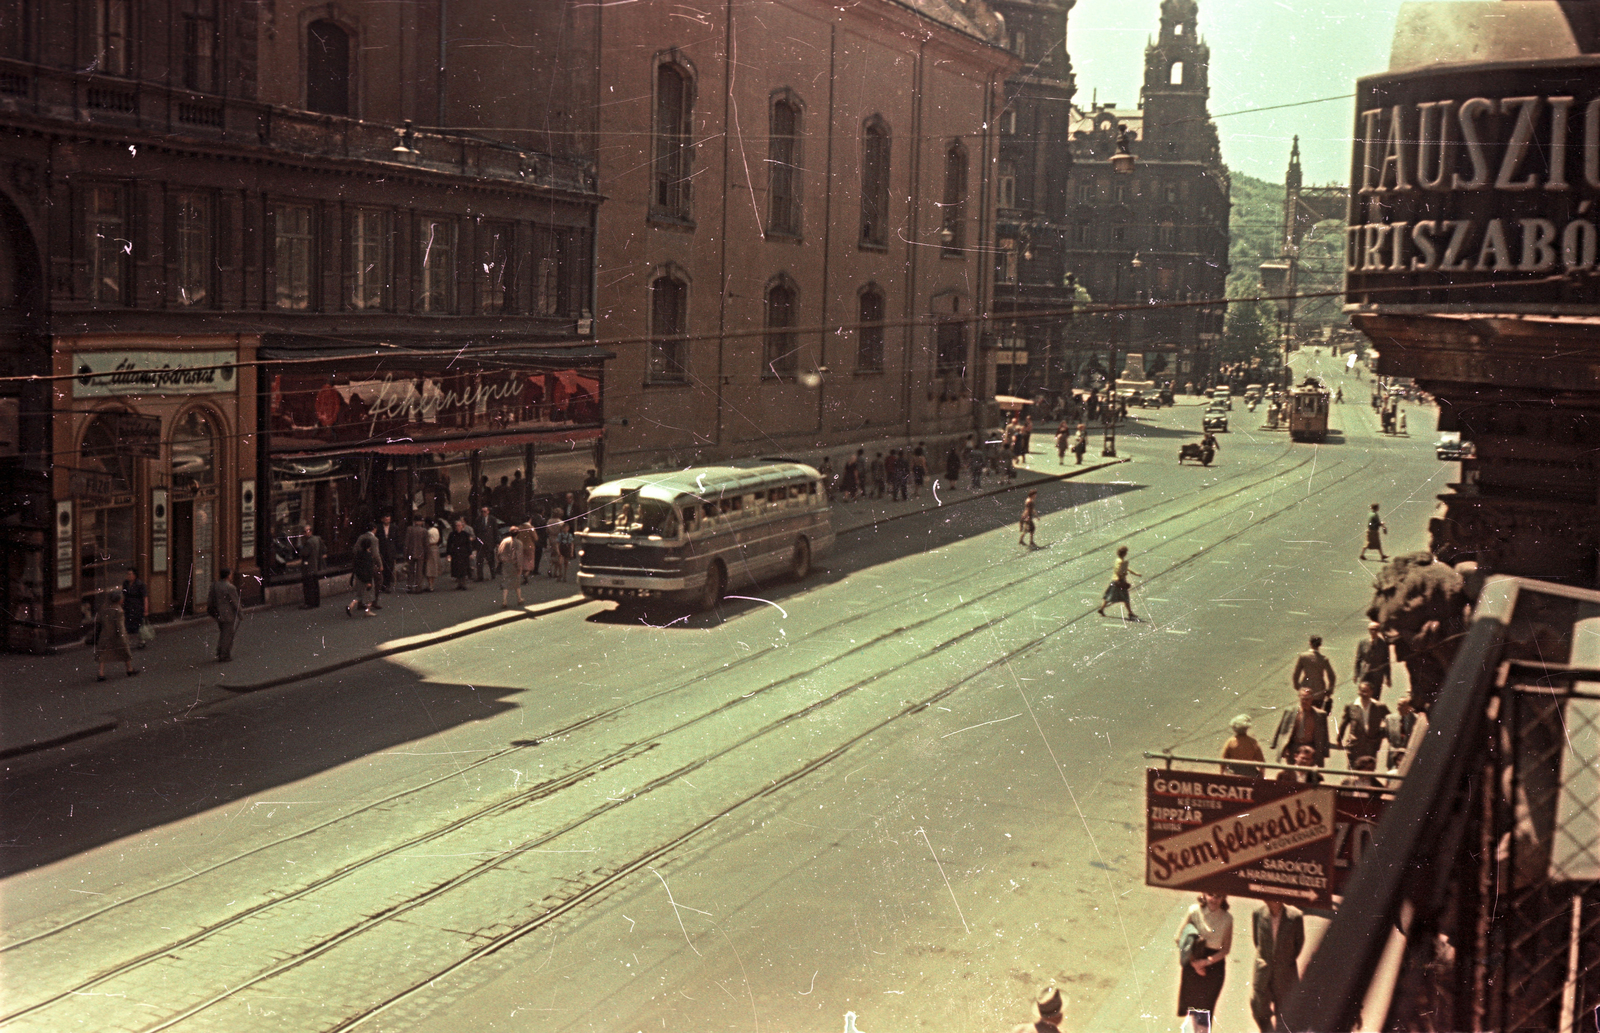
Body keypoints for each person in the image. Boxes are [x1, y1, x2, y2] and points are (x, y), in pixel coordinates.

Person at [1176, 891, 1232, 1031]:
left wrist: (1205, 963)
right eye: (1210, 894)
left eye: (1218, 895)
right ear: (1204, 895)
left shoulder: (1227, 918)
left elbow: (1225, 949)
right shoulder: (1194, 911)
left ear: (1223, 898)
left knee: (1205, 1010)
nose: (1214, 899)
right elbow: (1179, 938)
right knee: (1192, 1008)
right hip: (1193, 960)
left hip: (1213, 966)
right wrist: (1194, 962)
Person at [1250, 899, 1305, 1032]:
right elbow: (1257, 942)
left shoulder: (1295, 917)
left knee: (1286, 1014)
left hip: (1285, 972)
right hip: (1264, 972)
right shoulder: (1258, 914)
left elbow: (1299, 944)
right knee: (1258, 1007)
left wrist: (1284, 960)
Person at [1337, 679, 1391, 765]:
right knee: (1353, 770)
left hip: (1371, 746)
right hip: (1354, 746)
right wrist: (1339, 739)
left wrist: (1381, 733)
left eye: (1366, 691)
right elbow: (1344, 723)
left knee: (1368, 769)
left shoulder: (1379, 707)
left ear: (1371, 692)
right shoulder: (1351, 707)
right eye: (1361, 691)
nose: (1363, 694)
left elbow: (1390, 721)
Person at [1272, 686, 1330, 766]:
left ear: (1312, 698)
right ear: (1299, 697)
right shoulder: (1290, 711)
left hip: (1310, 748)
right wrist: (1276, 744)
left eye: (1307, 699)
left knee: (1308, 773)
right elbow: (1281, 728)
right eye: (1302, 698)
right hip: (1294, 746)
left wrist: (1325, 752)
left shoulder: (1320, 715)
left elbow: (1325, 735)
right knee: (1292, 772)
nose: (1304, 701)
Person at [94, 589, 137, 681]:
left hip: (105, 634)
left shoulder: (104, 607)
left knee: (103, 654)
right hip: (116, 635)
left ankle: (101, 673)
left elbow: (98, 620)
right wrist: (123, 636)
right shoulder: (119, 610)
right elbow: (120, 626)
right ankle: (129, 668)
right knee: (125, 651)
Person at [1291, 635, 1338, 713]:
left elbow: (1296, 674)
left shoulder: (1303, 657)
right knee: (1317, 713)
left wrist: (1297, 686)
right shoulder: (1323, 659)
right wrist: (1329, 690)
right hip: (1319, 691)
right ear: (1320, 645)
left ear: (1310, 643)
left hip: (1305, 690)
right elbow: (1332, 676)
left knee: (1305, 712)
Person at [207, 567, 242, 662]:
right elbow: (235, 602)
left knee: (223, 632)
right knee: (227, 634)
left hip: (217, 613)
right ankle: (224, 654)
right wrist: (240, 614)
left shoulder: (214, 586)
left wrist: (211, 612)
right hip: (228, 614)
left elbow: (210, 600)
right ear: (228, 575)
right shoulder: (230, 587)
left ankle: (220, 651)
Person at [1097, 545, 1139, 620]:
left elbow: (1124, 568)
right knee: (1125, 598)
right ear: (1124, 553)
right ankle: (1130, 613)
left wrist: (1135, 573)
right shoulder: (1122, 562)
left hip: (1115, 581)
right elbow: (1120, 570)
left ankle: (1102, 609)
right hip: (1119, 582)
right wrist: (1123, 575)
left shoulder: (1118, 560)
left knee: (1109, 596)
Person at [347, 524, 382, 617]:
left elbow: (354, 550)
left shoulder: (359, 550)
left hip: (359, 575)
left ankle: (352, 605)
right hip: (366, 577)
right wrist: (369, 580)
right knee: (370, 594)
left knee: (359, 594)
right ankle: (368, 610)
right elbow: (375, 558)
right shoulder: (372, 545)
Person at [1352, 621, 1392, 699]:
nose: (1373, 631)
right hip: (1365, 673)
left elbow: (1386, 662)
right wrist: (1356, 674)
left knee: (1376, 696)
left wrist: (1388, 678)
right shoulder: (1363, 643)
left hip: (1377, 674)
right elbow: (1358, 660)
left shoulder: (1383, 644)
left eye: (1376, 629)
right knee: (1363, 694)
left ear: (1379, 630)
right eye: (1372, 629)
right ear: (1369, 630)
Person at [1384, 696, 1418, 772]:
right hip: (1393, 754)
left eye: (1402, 705)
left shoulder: (1416, 719)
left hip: (1409, 754)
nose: (1399, 707)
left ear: (1409, 707)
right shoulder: (1389, 718)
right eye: (1398, 704)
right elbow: (1388, 735)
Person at [121, 568, 148, 648]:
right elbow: (124, 595)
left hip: (137, 606)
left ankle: (141, 641)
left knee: (138, 624)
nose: (128, 576)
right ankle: (127, 641)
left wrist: (146, 609)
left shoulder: (140, 584)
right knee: (127, 623)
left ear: (134, 575)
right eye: (127, 574)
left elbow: (145, 597)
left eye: (130, 574)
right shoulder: (125, 583)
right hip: (127, 606)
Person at [404, 516, 430, 593]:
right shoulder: (424, 531)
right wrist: (427, 555)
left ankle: (410, 586)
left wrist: (405, 554)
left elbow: (406, 543)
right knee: (419, 571)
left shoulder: (409, 529)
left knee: (410, 570)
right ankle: (418, 587)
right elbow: (426, 544)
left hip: (410, 552)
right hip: (421, 553)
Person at [447, 518, 475, 590]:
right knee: (457, 569)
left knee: (464, 569)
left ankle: (463, 583)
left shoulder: (465, 534)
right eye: (457, 525)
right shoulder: (452, 534)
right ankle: (459, 584)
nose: (458, 527)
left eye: (459, 525)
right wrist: (448, 554)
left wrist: (470, 553)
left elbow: (468, 544)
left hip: (464, 553)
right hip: (455, 553)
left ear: (462, 526)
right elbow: (449, 544)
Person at [473, 505, 498, 582]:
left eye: (485, 511)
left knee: (491, 560)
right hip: (480, 543)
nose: (483, 513)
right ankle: (480, 576)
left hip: (489, 542)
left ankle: (493, 574)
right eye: (482, 512)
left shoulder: (492, 519)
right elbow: (476, 531)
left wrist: (496, 542)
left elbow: (495, 531)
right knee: (479, 560)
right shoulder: (478, 520)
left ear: (488, 512)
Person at [378, 514, 400, 596]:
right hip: (382, 550)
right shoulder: (379, 528)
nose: (387, 519)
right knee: (382, 568)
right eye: (385, 518)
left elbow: (397, 539)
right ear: (382, 519)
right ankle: (382, 585)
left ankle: (387, 585)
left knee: (390, 568)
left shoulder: (394, 528)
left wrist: (396, 551)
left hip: (391, 550)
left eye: (388, 517)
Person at [424, 520, 442, 591]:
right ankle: (432, 584)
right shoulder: (436, 530)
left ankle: (430, 584)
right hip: (436, 548)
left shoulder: (429, 531)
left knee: (429, 566)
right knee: (434, 565)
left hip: (430, 548)